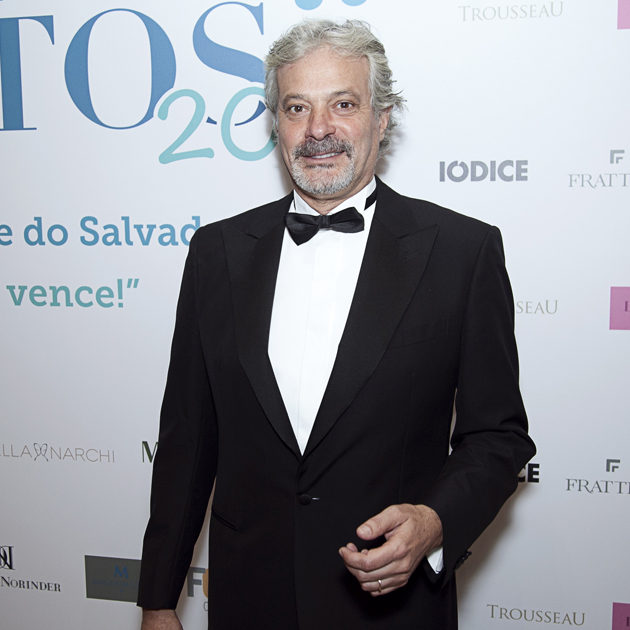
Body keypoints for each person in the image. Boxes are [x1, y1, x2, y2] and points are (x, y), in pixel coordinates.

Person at [137, 19, 535, 630]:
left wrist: (434, 522)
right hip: (250, 604)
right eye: (297, 107)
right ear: (276, 124)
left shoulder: (462, 252)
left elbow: (498, 436)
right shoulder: (217, 253)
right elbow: (188, 441)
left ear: (382, 118)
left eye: (343, 105)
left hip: (393, 609)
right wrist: (159, 600)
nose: (317, 129)